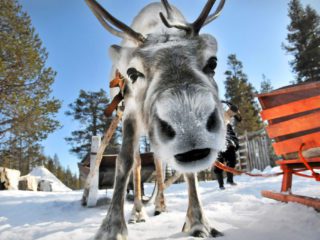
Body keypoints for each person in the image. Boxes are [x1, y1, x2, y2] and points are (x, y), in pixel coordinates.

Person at [213, 102, 241, 190]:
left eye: (233, 113)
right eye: (231, 111)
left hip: (227, 141)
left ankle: (230, 180)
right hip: (216, 141)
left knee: (232, 159)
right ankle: (221, 185)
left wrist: (235, 109)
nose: (231, 113)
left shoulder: (230, 120)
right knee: (218, 162)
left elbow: (239, 119)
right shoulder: (220, 114)